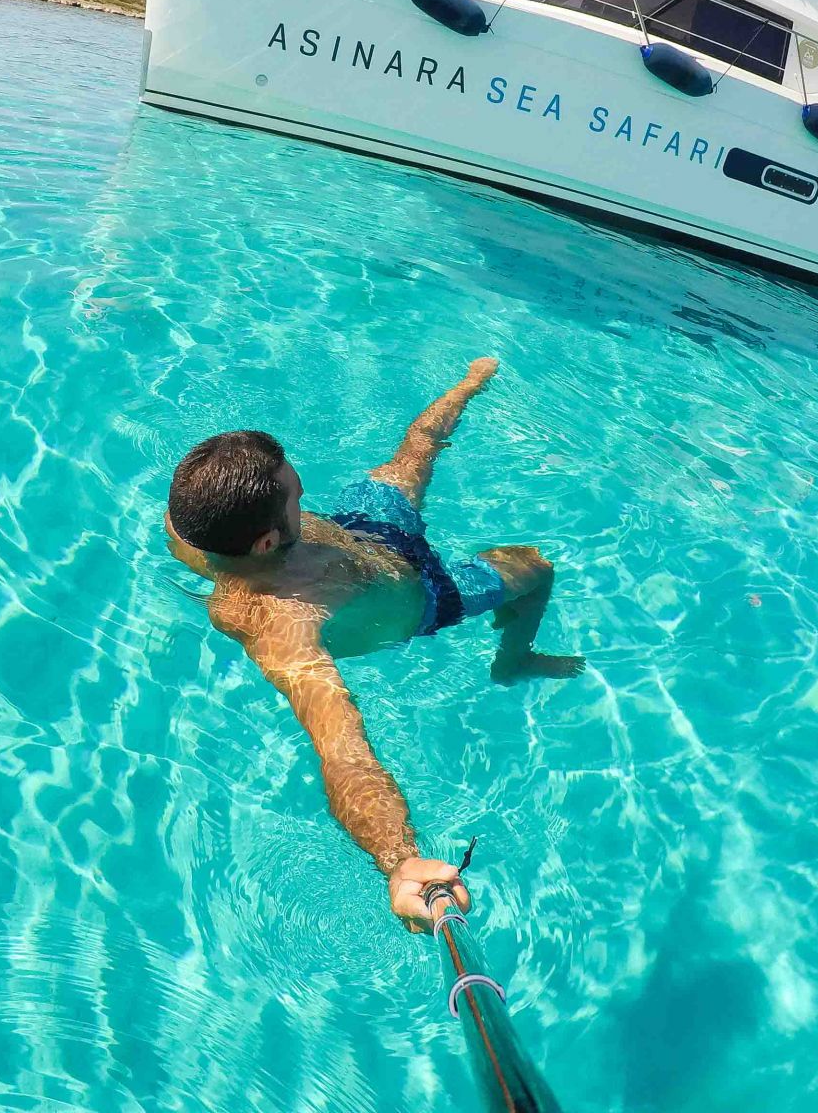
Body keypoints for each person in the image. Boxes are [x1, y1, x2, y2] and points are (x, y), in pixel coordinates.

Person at [164, 358, 583, 930]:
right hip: (428, 597)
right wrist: (400, 860)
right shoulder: (284, 628)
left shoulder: (195, 529)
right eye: (293, 492)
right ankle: (513, 661)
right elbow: (343, 753)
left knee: (419, 446)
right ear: (264, 541)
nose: (302, 487)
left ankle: (469, 380)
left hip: (363, 531)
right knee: (535, 567)